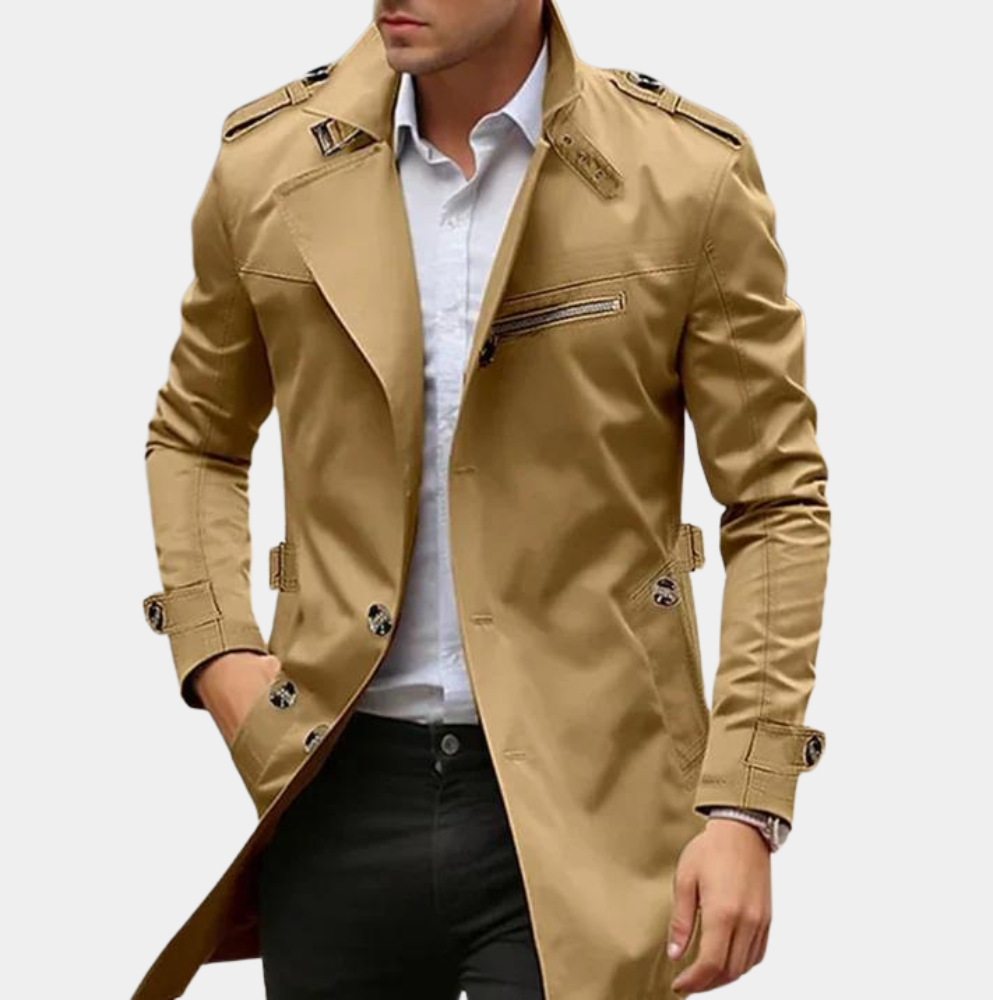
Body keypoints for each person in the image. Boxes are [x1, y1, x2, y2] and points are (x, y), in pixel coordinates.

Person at [137, 1, 831, 997]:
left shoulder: (686, 176)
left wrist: (743, 803)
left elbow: (774, 496)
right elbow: (195, 438)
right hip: (332, 793)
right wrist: (220, 659)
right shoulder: (268, 166)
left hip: (591, 805)